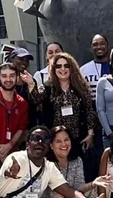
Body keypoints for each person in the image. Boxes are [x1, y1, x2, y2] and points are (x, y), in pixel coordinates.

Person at [25, 52, 100, 182]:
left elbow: (89, 110)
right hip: (56, 139)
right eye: (58, 66)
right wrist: (31, 84)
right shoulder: (48, 87)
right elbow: (36, 100)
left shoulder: (81, 87)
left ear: (72, 68)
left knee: (77, 171)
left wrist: (90, 133)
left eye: (66, 66)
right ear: (54, 69)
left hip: (78, 138)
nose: (63, 69)